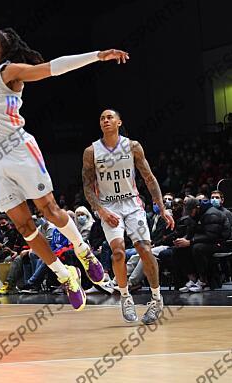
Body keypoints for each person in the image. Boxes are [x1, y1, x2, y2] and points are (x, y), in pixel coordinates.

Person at [0, 0, 123, 310]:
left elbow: (53, 69)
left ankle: (84, 251)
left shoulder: (10, 71)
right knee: (23, 226)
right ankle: (65, 273)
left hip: (17, 148)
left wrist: (97, 55)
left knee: (49, 210)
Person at [82, 109, 175, 324]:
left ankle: (156, 298)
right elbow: (87, 187)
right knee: (117, 253)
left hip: (132, 204)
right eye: (102, 118)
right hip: (108, 206)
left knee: (144, 249)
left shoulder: (133, 146)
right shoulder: (91, 151)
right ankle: (125, 297)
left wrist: (162, 208)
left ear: (119, 122)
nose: (105, 120)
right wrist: (101, 211)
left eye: (109, 117)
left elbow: (149, 178)